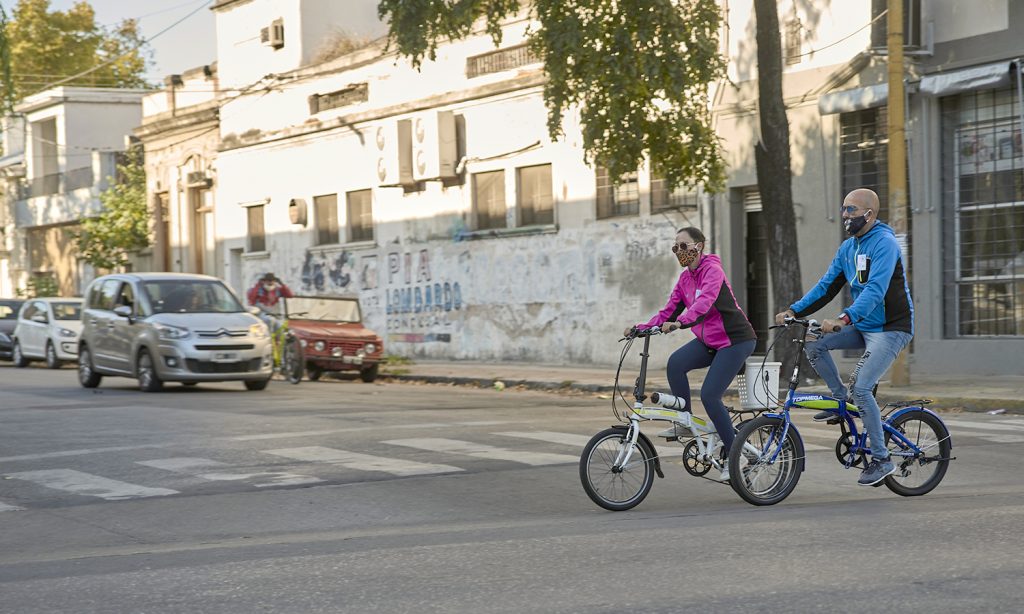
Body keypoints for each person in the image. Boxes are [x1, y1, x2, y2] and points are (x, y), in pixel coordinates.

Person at [776, 188, 914, 487]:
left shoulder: (885, 244)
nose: (845, 216)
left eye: (850, 210)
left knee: (862, 389)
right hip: (864, 325)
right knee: (815, 344)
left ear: (869, 214)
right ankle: (841, 400)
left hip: (891, 328)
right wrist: (793, 309)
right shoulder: (848, 248)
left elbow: (876, 291)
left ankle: (882, 458)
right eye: (843, 209)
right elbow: (826, 286)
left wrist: (843, 318)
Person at [626, 227, 757, 482]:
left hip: (736, 340)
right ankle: (684, 419)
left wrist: (681, 322)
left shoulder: (713, 271)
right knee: (676, 363)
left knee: (709, 395)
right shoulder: (685, 279)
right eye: (675, 247)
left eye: (684, 246)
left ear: (699, 246)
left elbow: (703, 303)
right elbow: (668, 312)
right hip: (709, 341)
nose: (679, 251)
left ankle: (735, 455)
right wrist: (640, 328)